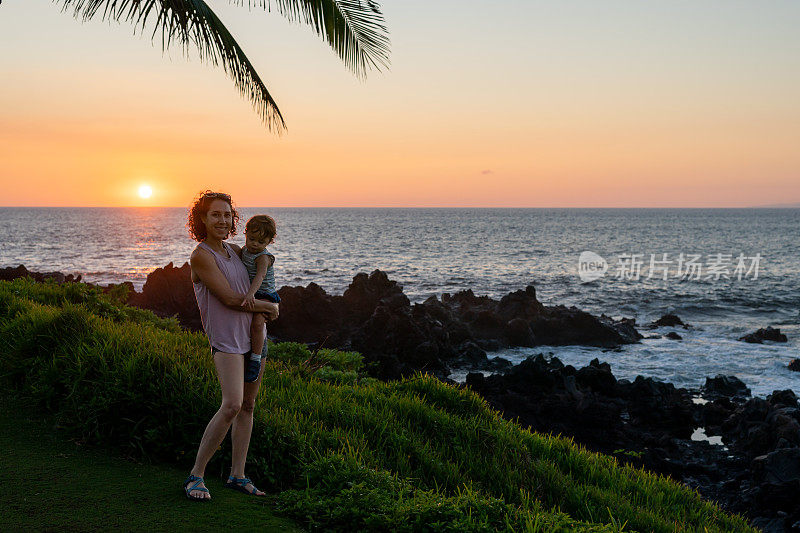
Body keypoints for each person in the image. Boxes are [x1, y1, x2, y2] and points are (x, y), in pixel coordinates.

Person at [182, 191, 279, 501]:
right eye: (215, 215)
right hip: (226, 343)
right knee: (232, 404)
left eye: (227, 215)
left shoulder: (235, 251)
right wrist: (269, 307)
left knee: (248, 407)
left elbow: (261, 276)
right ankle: (196, 475)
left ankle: (237, 475)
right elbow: (227, 298)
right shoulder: (201, 256)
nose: (223, 220)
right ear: (202, 219)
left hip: (253, 341)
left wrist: (267, 304)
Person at [240, 215, 280, 382]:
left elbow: (260, 276)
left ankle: (256, 359)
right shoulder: (244, 250)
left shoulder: (263, 257)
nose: (255, 244)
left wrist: (250, 294)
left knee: (257, 322)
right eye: (252, 239)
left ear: (269, 242)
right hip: (253, 293)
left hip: (265, 295)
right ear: (246, 233)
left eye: (261, 242)